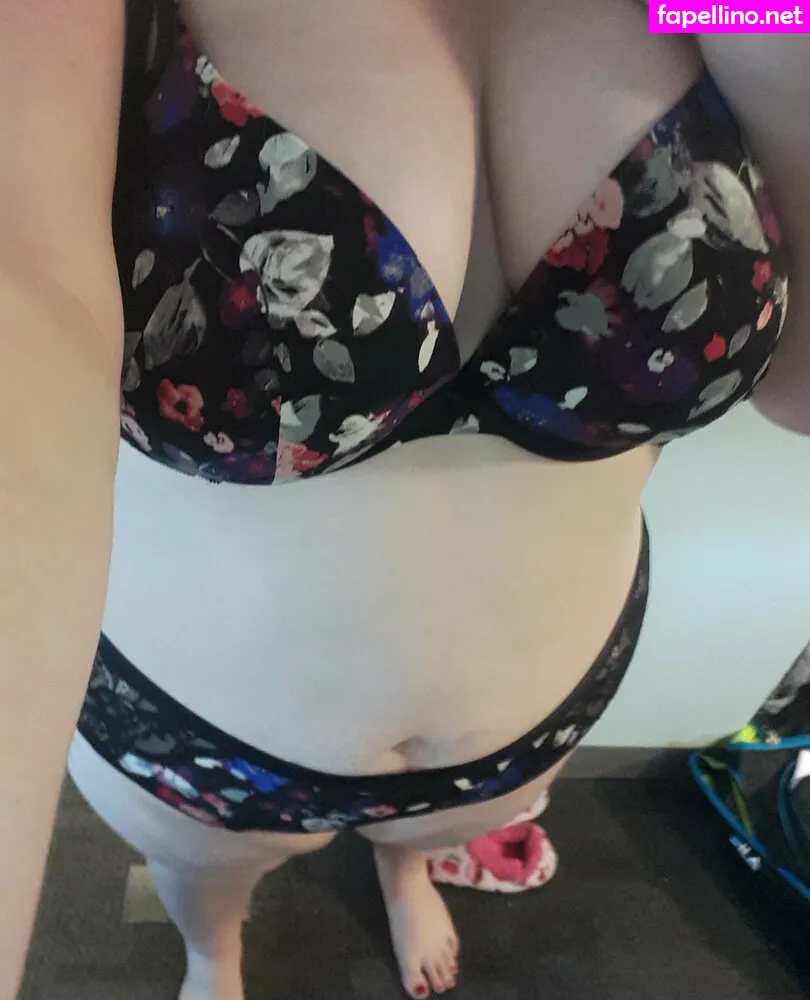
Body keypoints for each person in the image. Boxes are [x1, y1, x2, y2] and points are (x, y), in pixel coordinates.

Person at [2, 1, 807, 997]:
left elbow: (798, 396)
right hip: (196, 738)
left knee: (414, 840)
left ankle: (407, 866)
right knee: (205, 886)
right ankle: (215, 955)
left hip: (528, 724)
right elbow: (23, 307)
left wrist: (785, 56)